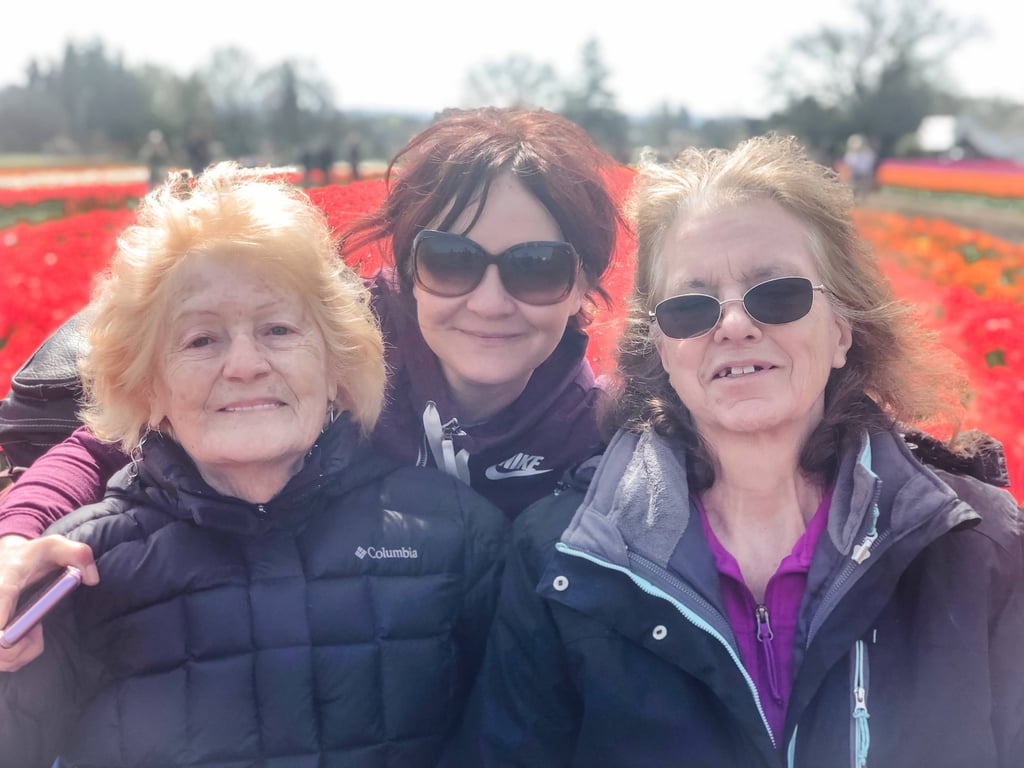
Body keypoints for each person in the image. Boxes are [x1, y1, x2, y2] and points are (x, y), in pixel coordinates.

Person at [451, 135, 1024, 766]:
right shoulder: (563, 560)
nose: (732, 325)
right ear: (663, 351)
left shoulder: (979, 549)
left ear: (841, 329)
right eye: (690, 308)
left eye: (777, 293)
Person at [0, 106, 625, 671]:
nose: (490, 302)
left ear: (582, 287)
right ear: (407, 267)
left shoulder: (595, 438)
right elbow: (109, 443)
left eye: (536, 267)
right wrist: (16, 538)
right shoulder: (334, 345)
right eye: (451, 260)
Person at [0, 162, 507, 767]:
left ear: (336, 367)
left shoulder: (458, 538)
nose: (244, 365)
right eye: (200, 340)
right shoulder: (75, 573)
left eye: (278, 328)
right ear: (147, 386)